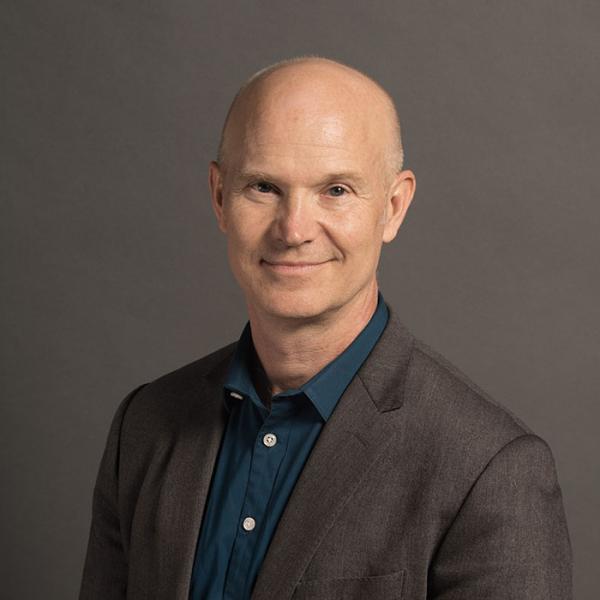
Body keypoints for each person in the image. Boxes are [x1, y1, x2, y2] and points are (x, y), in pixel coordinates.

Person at [80, 57, 572, 600]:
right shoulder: (144, 426)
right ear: (220, 196)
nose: (293, 230)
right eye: (264, 186)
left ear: (392, 206)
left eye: (335, 190)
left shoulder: (489, 471)